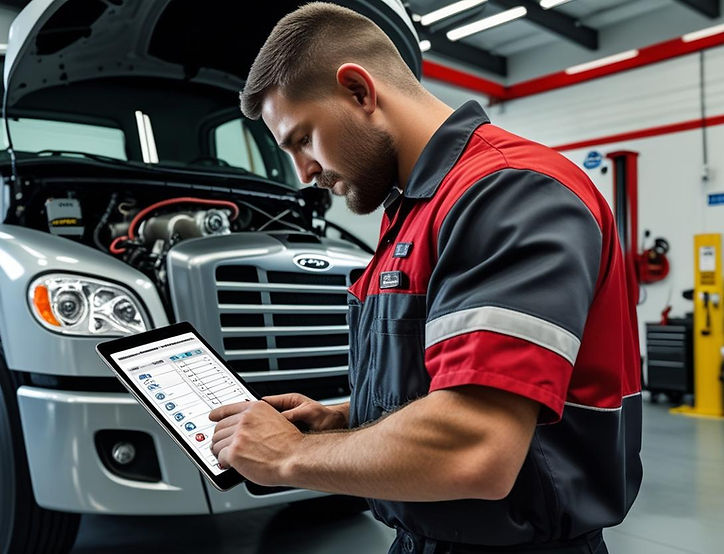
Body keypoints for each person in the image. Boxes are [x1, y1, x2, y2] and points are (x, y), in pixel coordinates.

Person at [208, 3, 642, 553]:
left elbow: (476, 448)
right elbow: (452, 385)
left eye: (302, 139)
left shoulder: (508, 193)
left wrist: (288, 456)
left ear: (359, 91)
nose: (305, 174)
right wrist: (343, 418)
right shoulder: (415, 210)